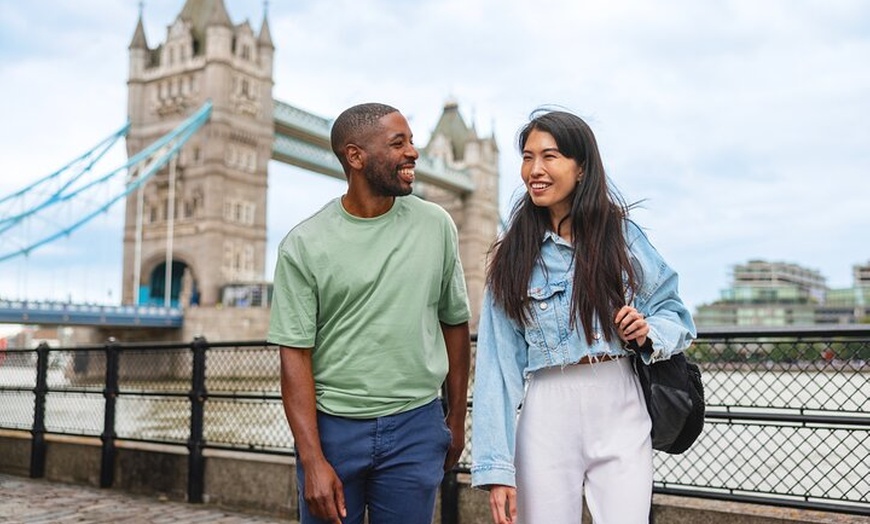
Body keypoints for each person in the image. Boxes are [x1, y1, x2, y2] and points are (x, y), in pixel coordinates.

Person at [470, 109, 696, 523]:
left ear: (581, 168)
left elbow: (676, 314)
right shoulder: (511, 255)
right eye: (527, 157)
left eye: (550, 156)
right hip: (546, 413)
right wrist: (496, 469)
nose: (534, 170)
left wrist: (646, 332)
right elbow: (496, 370)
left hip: (620, 402)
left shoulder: (623, 237)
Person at [267, 102, 471, 524]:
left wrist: (455, 417)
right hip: (334, 431)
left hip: (417, 424)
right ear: (355, 156)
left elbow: (455, 323)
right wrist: (312, 460)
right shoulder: (304, 244)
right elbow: (294, 356)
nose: (414, 152)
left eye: (413, 141)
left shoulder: (438, 226)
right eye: (399, 143)